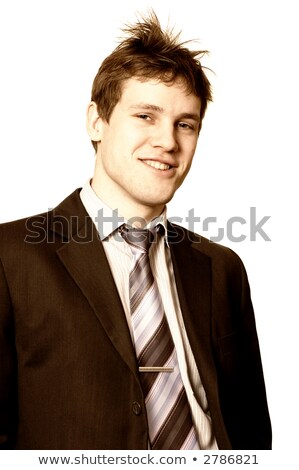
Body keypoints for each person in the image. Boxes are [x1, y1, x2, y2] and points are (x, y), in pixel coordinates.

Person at [0, 11, 271, 450]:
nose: (168, 140)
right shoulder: (10, 256)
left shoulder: (223, 269)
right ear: (96, 121)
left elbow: (252, 431)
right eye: (146, 116)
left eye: (186, 123)